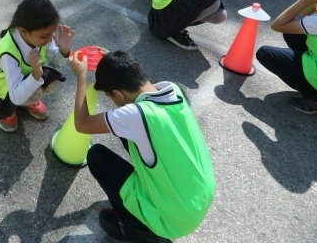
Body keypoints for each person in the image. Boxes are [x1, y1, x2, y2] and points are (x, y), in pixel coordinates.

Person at [69, 49, 215, 241]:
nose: (113, 102)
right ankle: (145, 206)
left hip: (173, 219)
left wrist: (80, 78)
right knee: (126, 133)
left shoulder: (137, 115)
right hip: (198, 199)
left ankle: (134, 228)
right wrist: (114, 63)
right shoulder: (171, 89)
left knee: (97, 156)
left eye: (110, 97)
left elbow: (82, 124)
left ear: (118, 94)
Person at [0, 0, 73, 132]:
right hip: (1, 81)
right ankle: (5, 110)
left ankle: (28, 100)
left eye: (52, 34)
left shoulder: (42, 36)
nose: (49, 39)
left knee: (51, 82)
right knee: (23, 94)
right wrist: (36, 74)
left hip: (27, 73)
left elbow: (55, 63)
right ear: (23, 31)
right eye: (45, 36)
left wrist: (64, 50)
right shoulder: (8, 53)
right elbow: (16, 96)